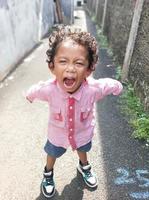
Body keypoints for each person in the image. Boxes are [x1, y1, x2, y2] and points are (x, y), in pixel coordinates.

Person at [26, 25, 123, 198]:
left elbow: (108, 85)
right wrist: (30, 95)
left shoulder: (93, 89)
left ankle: (84, 166)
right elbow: (36, 89)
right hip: (57, 136)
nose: (70, 68)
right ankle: (48, 174)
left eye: (78, 63)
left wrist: (117, 87)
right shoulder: (49, 90)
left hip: (83, 133)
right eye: (63, 61)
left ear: (88, 69)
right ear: (52, 66)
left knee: (83, 149)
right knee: (52, 153)